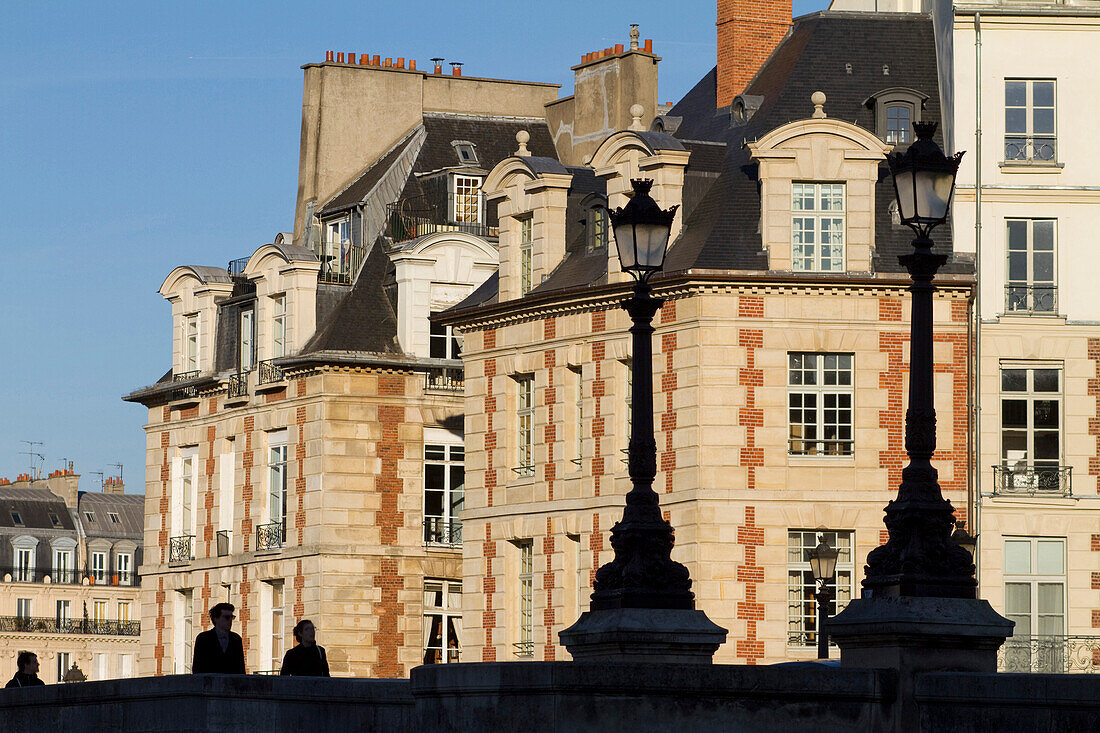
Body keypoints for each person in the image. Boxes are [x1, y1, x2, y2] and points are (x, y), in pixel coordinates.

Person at [192, 602, 246, 674]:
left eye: (231, 617)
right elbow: (197, 668)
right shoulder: (203, 638)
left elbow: (241, 668)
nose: (230, 620)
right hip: (210, 683)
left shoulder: (236, 639)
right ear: (216, 619)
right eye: (226, 617)